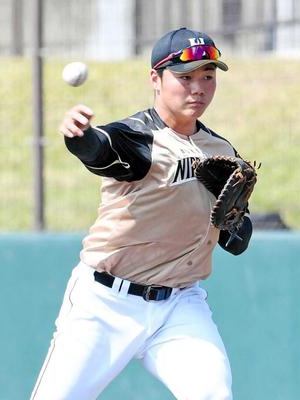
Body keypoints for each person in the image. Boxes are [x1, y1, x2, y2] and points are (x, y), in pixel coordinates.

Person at [31, 27, 254, 400]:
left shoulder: (220, 150)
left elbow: (237, 240)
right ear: (156, 79)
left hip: (179, 306)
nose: (198, 88)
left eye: (208, 77)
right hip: (105, 305)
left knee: (213, 394)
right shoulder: (137, 138)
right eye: (184, 78)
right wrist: (79, 137)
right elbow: (101, 150)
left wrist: (233, 221)